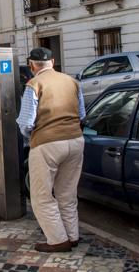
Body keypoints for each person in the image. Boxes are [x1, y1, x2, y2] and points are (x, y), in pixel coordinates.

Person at [16, 48, 86, 253]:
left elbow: (26, 123)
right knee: (67, 192)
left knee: (41, 195)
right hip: (75, 140)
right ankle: (72, 236)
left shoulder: (34, 84)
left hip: (47, 143)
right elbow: (82, 114)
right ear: (52, 62)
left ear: (31, 65)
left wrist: (33, 139)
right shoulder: (72, 81)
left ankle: (57, 240)